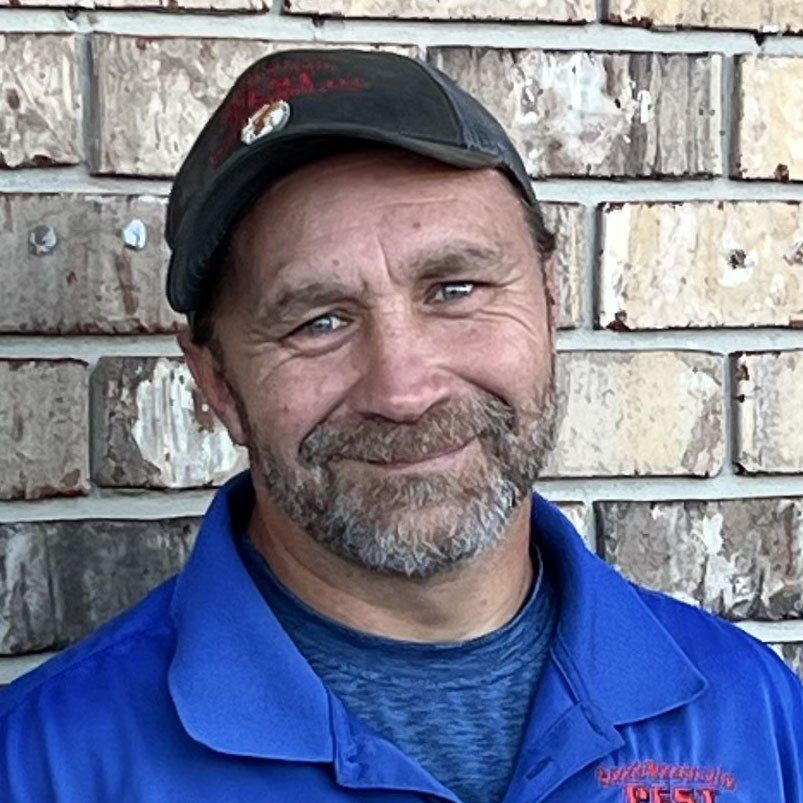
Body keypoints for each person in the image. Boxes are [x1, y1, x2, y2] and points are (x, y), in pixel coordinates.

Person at [0, 48, 800, 803]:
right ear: (217, 380)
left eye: (455, 288)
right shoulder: (46, 763)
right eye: (317, 321)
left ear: (551, 304)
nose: (404, 389)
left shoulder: (754, 710)